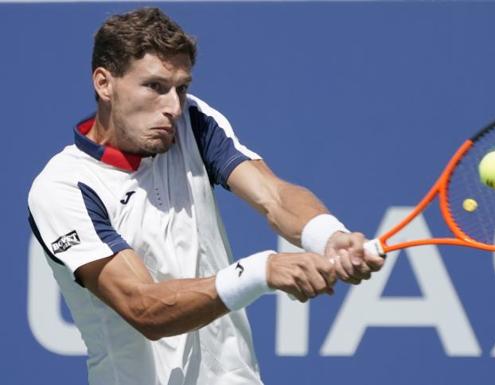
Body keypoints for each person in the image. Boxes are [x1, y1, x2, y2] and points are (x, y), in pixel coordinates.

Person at [27, 7, 384, 385]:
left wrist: (328, 236)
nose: (173, 106)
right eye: (155, 87)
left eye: (181, 87)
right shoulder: (63, 188)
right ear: (104, 83)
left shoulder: (191, 123)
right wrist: (260, 271)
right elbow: (143, 307)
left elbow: (273, 195)